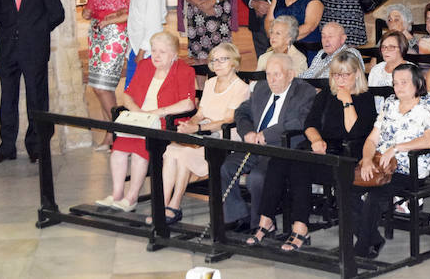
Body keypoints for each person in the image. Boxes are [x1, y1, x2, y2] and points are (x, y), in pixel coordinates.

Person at [247, 51, 377, 250]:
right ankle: (266, 220)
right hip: (319, 150)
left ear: (357, 74)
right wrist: (316, 139)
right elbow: (310, 124)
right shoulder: (325, 95)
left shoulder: (365, 99)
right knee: (279, 160)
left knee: (300, 167)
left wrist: (346, 101)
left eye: (345, 75)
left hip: (346, 156)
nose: (340, 80)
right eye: (336, 75)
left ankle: (300, 228)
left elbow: (354, 131)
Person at [95, 32, 196, 212]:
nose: (156, 56)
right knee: (118, 151)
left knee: (139, 152)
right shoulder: (145, 66)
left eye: (162, 52)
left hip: (164, 125)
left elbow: (188, 103)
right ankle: (117, 194)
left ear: (174, 54)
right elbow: (127, 95)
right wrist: (138, 112)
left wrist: (156, 113)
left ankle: (131, 197)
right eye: (154, 50)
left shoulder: (184, 70)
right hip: (140, 120)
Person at [354, 63, 430, 258]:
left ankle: (361, 248)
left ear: (418, 82)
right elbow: (372, 139)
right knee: (346, 190)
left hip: (409, 168)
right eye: (396, 83)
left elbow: (429, 140)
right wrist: (367, 159)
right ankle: (372, 239)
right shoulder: (390, 103)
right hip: (381, 166)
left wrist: (395, 149)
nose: (399, 87)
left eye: (404, 82)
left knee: (374, 196)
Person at [153, 43, 249, 224]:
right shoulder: (211, 83)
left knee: (182, 154)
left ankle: (173, 206)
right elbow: (199, 114)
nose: (218, 64)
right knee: (171, 150)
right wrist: (190, 124)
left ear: (234, 62)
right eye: (214, 60)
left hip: (224, 138)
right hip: (203, 134)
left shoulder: (241, 88)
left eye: (223, 59)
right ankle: (163, 205)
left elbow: (227, 121)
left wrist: (196, 129)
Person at [221, 53, 316, 232]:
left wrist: (267, 135)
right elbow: (241, 112)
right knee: (226, 168)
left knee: (257, 178)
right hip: (254, 145)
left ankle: (263, 225)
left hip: (281, 148)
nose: (271, 80)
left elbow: (298, 121)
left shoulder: (304, 91)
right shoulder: (261, 89)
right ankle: (238, 216)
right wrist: (247, 132)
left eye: (277, 74)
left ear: (290, 74)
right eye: (268, 74)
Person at [0, 0, 64, 164]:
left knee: (36, 97)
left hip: (34, 50)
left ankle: (36, 146)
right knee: (7, 98)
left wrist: (36, 30)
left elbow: (57, 14)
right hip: (7, 51)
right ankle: (6, 147)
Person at [83, 0, 135, 149]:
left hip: (116, 34)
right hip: (97, 36)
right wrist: (87, 13)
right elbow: (90, 9)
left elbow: (132, 10)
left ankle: (116, 132)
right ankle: (113, 132)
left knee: (102, 86)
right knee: (98, 87)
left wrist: (111, 20)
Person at [125, 0, 167, 89]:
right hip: (136, 46)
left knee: (139, 91)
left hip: (146, 50)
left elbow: (153, 26)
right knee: (132, 90)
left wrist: (142, 52)